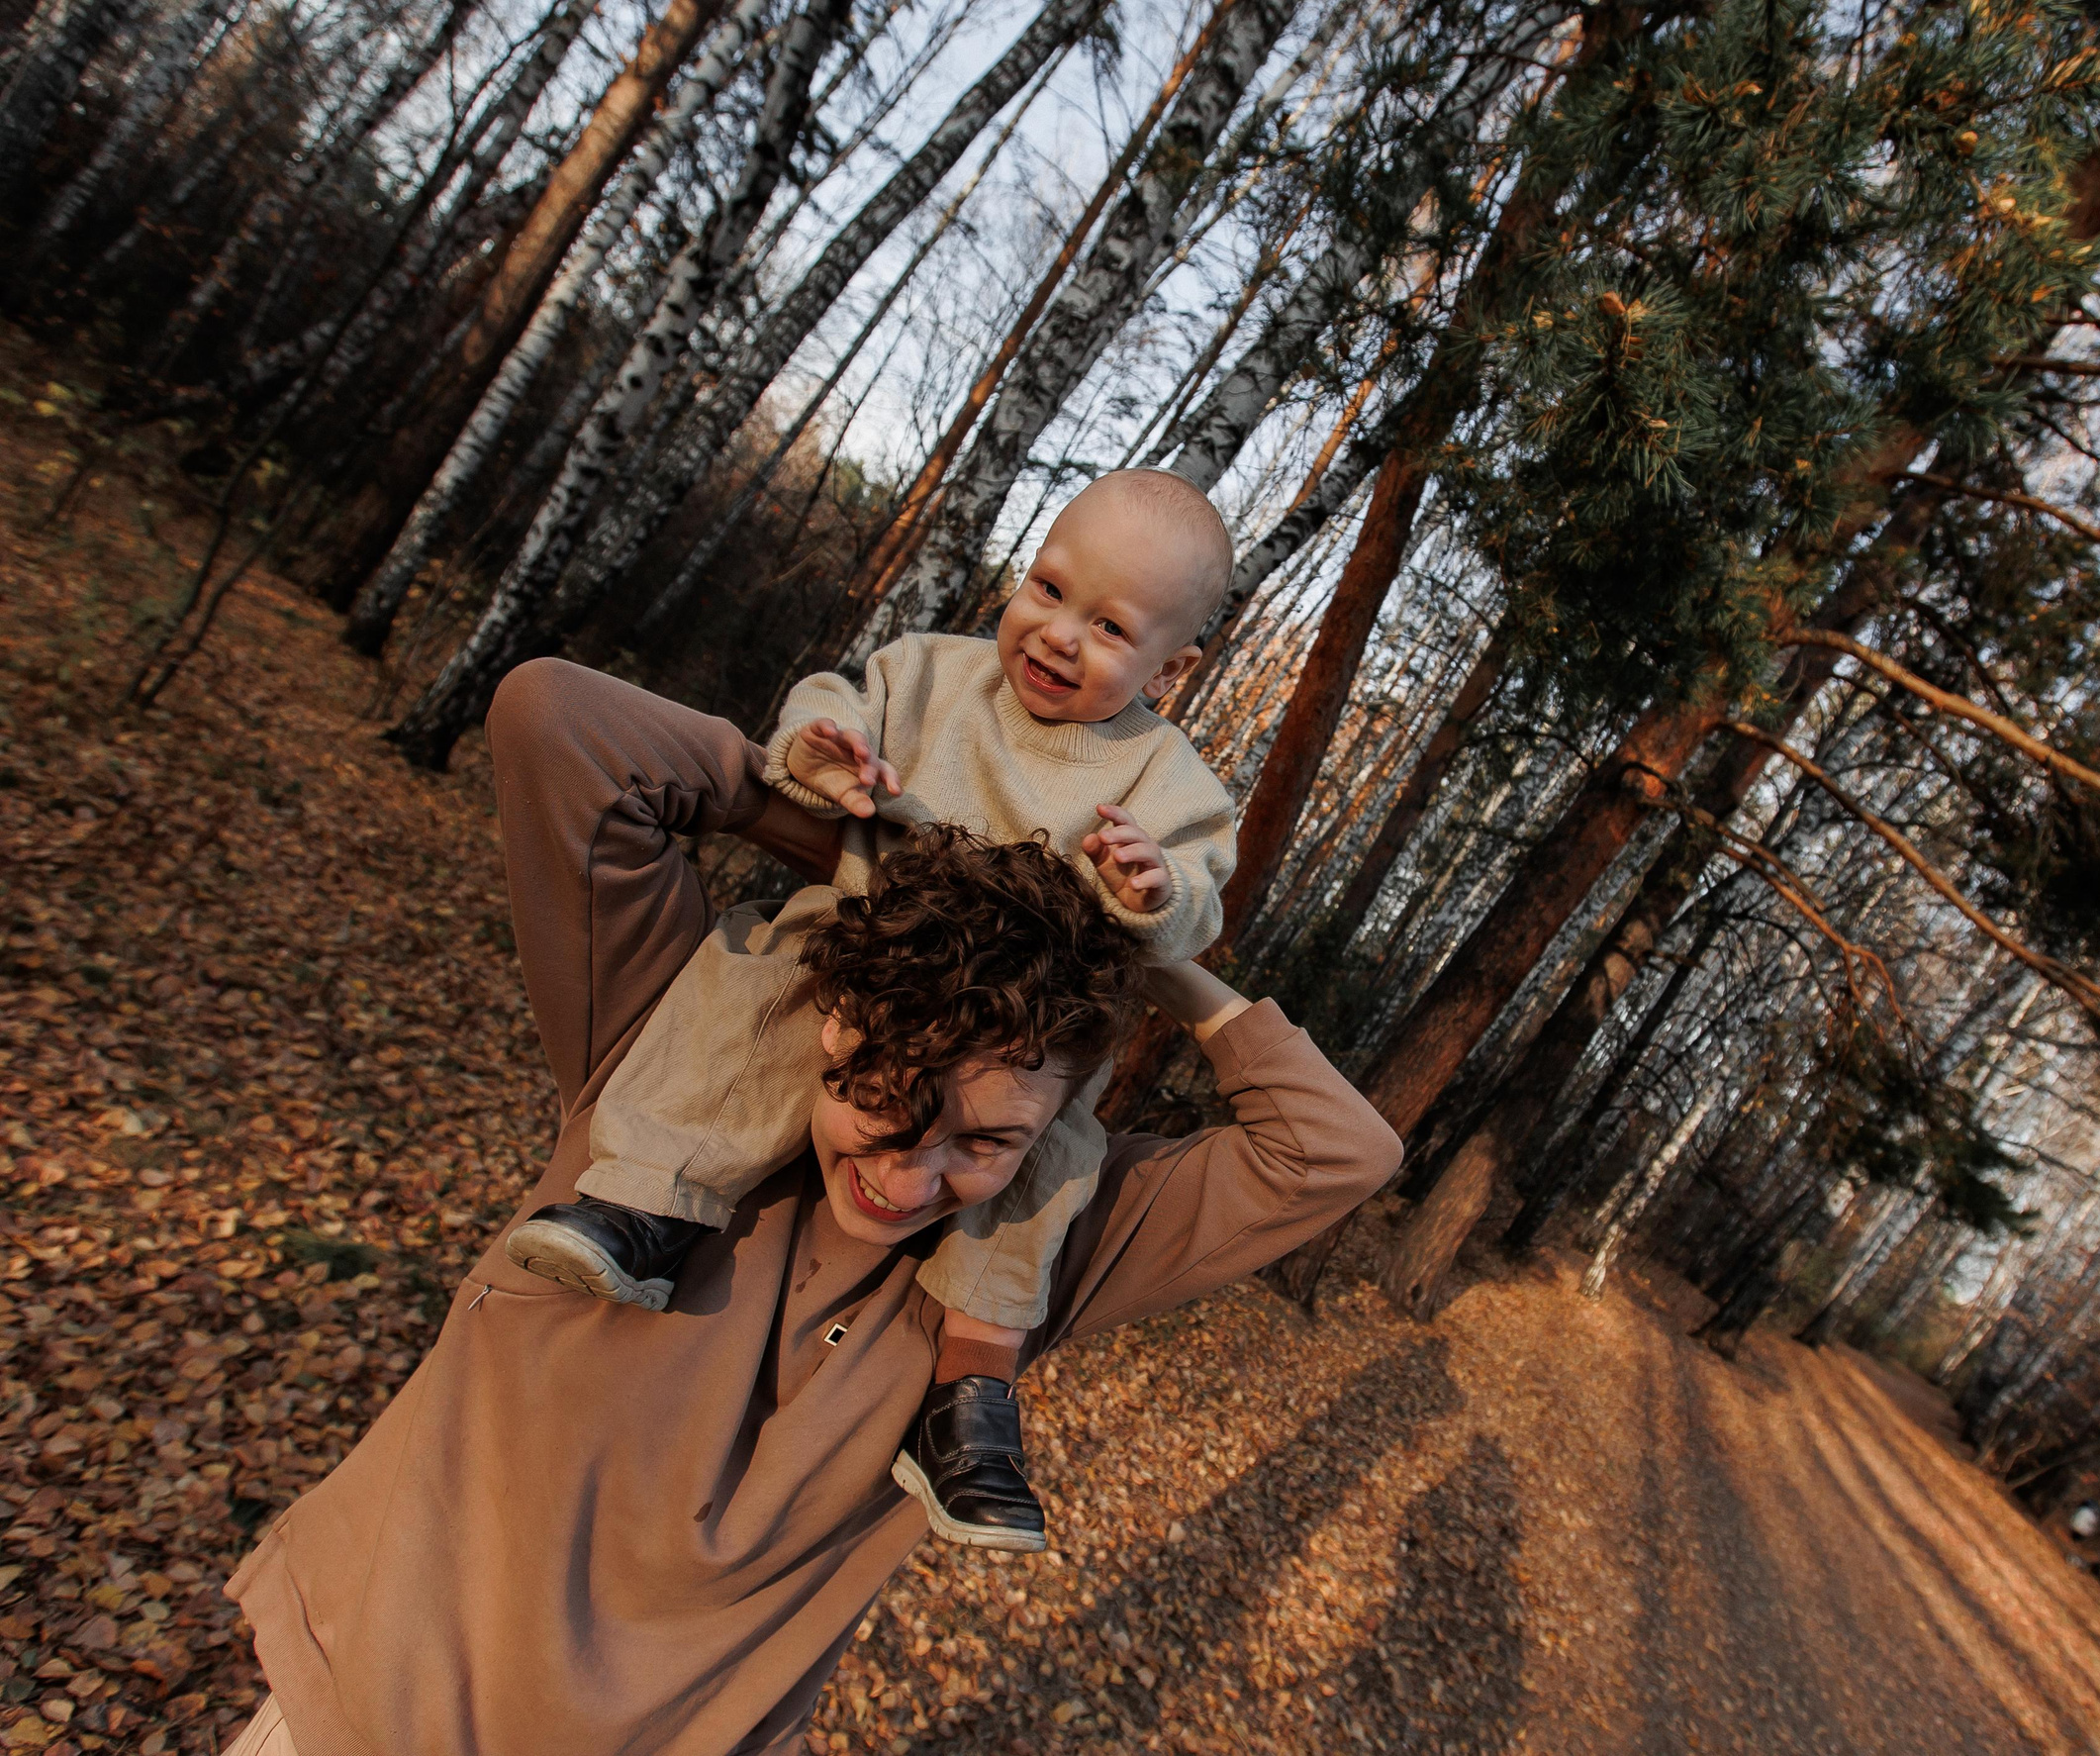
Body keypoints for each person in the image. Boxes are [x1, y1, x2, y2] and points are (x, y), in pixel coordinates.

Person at [218, 658, 1397, 1756]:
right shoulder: (664, 1053)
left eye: (987, 1139)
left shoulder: (1042, 1244)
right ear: (827, 1015)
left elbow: (1338, 1151)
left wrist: (1130, 956)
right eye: (885, 1099)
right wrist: (884, 869)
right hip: (350, 1706)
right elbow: (555, 721)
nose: (912, 1179)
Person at [504, 467, 1239, 1550]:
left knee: (1047, 1158)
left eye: (1110, 627)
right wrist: (818, 752)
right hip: (863, 948)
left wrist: (1156, 889)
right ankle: (650, 1203)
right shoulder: (933, 672)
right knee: (755, 992)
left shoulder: (1169, 780)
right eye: (1048, 588)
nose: (1057, 633)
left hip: (1018, 1035)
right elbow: (830, 707)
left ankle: (969, 1394)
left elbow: (1194, 909)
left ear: (1170, 669)